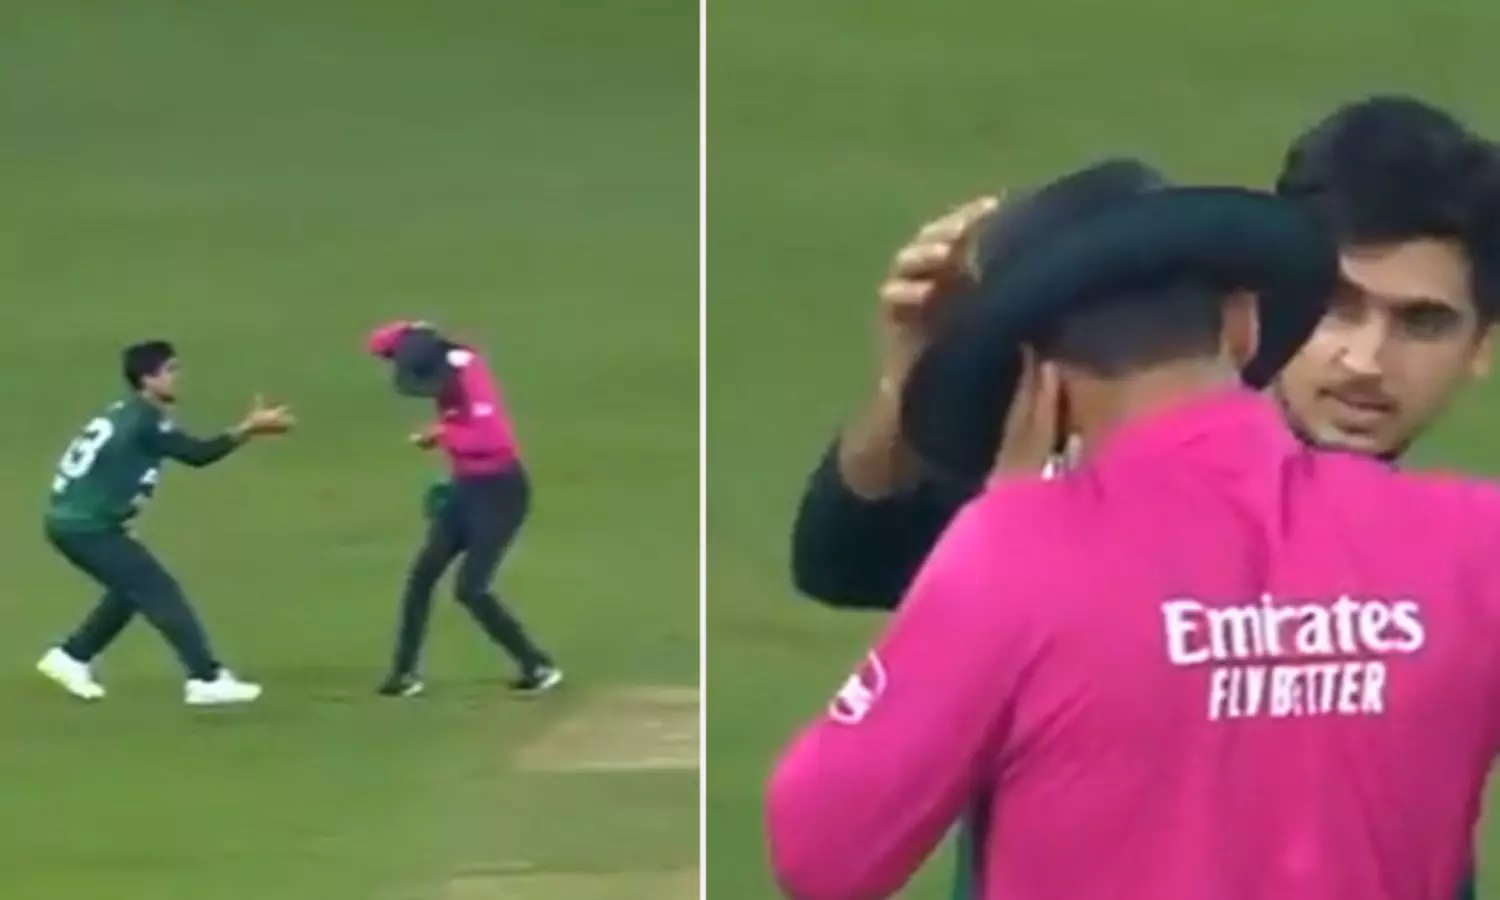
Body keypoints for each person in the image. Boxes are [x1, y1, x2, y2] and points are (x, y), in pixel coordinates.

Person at [765, 170, 1500, 900]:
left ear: (1032, 374)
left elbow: (823, 853)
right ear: (1244, 326)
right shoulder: (1474, 536)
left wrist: (1005, 534)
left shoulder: (1015, 556)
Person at [790, 95, 1500, 610]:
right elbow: (845, 564)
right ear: (1267, 296)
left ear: (1483, 346)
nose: (1367, 360)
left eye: (1421, 323)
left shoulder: (1449, 556)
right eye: (1339, 307)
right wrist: (911, 390)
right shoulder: (1091, 455)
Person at [36, 340, 294, 706]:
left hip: (77, 522)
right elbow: (198, 455)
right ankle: (204, 678)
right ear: (147, 379)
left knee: (131, 589)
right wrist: (248, 429)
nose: (177, 377)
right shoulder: (146, 419)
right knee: (159, 591)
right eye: (169, 370)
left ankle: (72, 656)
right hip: (87, 527)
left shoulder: (125, 412)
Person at [366, 320, 561, 698]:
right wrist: (407, 334)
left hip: (500, 493)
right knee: (422, 577)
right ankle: (403, 674)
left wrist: (442, 434)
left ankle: (537, 666)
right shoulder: (438, 356)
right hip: (465, 490)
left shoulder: (471, 376)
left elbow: (493, 440)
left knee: (471, 588)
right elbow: (377, 342)